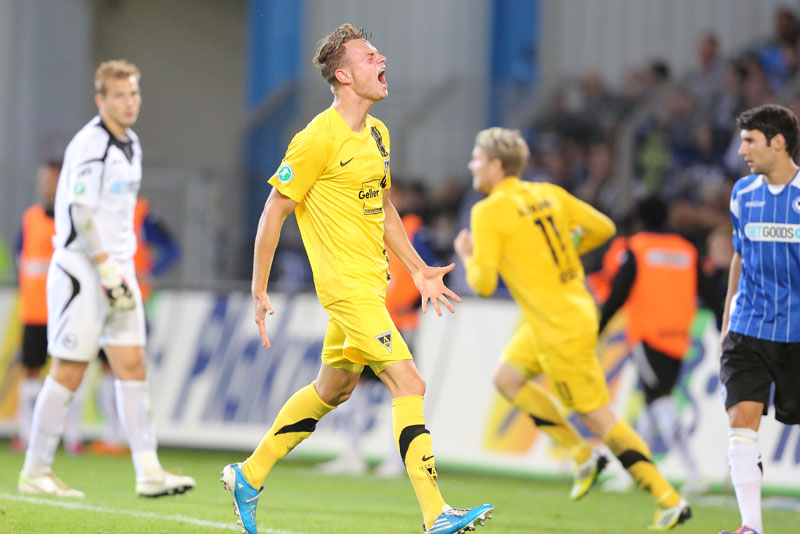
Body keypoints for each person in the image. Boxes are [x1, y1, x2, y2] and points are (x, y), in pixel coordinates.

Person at [220, 24, 493, 534]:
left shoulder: (378, 134)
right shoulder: (315, 140)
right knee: (409, 382)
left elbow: (384, 208)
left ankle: (248, 475)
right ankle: (436, 513)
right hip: (345, 289)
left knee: (334, 389)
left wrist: (418, 268)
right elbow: (273, 211)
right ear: (344, 75)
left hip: (372, 285)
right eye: (370, 56)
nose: (382, 59)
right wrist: (258, 288)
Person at [453, 127, 691, 531]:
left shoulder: (488, 212)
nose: (471, 164)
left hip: (558, 326)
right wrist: (564, 249)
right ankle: (582, 456)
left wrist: (468, 254)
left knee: (599, 418)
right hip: (564, 312)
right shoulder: (548, 193)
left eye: (476, 157)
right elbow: (604, 228)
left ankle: (668, 498)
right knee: (507, 378)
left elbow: (483, 283)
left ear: (496, 164)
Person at [17, 60, 195, 498]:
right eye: (120, 95)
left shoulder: (131, 143)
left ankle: (148, 471)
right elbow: (80, 211)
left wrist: (119, 268)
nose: (130, 102)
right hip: (84, 269)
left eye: (134, 93)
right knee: (70, 369)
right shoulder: (90, 144)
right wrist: (103, 268)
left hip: (118, 269)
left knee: (132, 365)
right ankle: (36, 469)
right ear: (101, 101)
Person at [717, 104, 800, 534]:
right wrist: (727, 318)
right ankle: (751, 527)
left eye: (750, 141)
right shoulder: (742, 193)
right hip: (748, 328)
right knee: (741, 422)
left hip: (796, 334)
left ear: (778, 142)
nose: (742, 150)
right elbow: (739, 254)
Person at [598, 196, 706, 495]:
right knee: (651, 404)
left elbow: (618, 294)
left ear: (640, 220)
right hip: (679, 338)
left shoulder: (638, 247)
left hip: (648, 336)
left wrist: (598, 328)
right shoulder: (686, 250)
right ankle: (634, 473)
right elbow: (707, 290)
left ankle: (694, 473)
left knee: (660, 400)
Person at [91, 196, 181, 456]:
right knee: (108, 366)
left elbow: (173, 248)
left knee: (131, 365)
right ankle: (112, 436)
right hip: (105, 296)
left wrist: (151, 272)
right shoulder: (98, 208)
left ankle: (135, 436)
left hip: (134, 299)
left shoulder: (141, 212)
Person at [13, 161, 85, 455]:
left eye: (54, 179)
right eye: (45, 180)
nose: (48, 185)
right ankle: (27, 435)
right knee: (31, 371)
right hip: (34, 310)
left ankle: (73, 437)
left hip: (67, 309)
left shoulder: (75, 218)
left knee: (71, 370)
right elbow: (21, 255)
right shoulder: (30, 218)